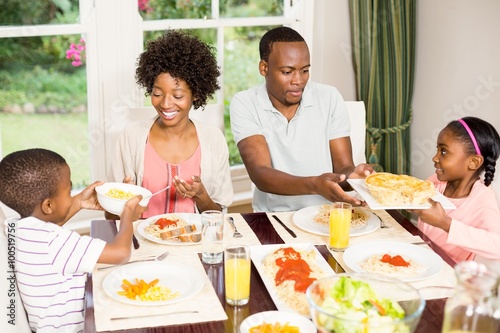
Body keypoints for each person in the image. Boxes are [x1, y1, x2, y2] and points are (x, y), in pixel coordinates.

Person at [0, 148, 146, 333]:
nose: (71, 196)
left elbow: (47, 222)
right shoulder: (55, 242)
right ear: (48, 205)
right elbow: (121, 254)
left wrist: (78, 202)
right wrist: (127, 214)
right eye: (69, 191)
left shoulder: (16, 229)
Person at [230, 26, 372, 212]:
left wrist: (353, 176)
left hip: (326, 216)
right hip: (274, 218)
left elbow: (343, 168)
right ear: (264, 68)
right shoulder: (245, 103)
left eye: (304, 70)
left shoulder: (329, 97)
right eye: (287, 72)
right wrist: (315, 185)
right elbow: (260, 174)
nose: (298, 80)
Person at [108, 30, 233, 217]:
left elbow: (219, 217)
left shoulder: (213, 139)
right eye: (157, 94)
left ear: (196, 94)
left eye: (178, 96)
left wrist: (201, 195)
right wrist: (122, 203)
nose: (165, 104)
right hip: (141, 243)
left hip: (194, 243)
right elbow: (110, 216)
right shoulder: (132, 136)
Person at [408, 117, 500, 263]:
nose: (435, 157)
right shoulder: (436, 182)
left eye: (443, 151)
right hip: (418, 258)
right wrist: (369, 181)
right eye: (437, 149)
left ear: (473, 162)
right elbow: (405, 196)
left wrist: (445, 223)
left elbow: (496, 246)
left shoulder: (482, 198)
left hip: (447, 275)